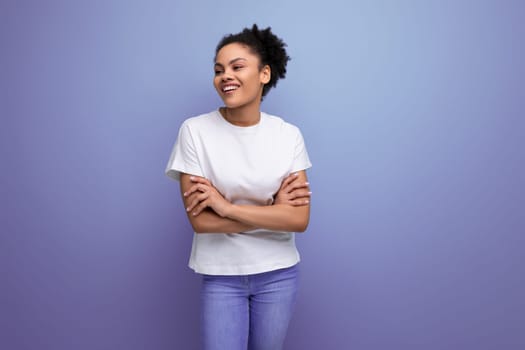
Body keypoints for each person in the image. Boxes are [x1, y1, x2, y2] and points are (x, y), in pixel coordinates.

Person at [165, 24, 312, 350]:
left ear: (264, 74)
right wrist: (274, 210)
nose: (225, 76)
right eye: (218, 70)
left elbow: (299, 220)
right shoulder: (195, 132)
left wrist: (227, 207)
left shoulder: (288, 136)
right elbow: (201, 222)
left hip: (279, 274)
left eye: (237, 66)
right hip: (222, 277)